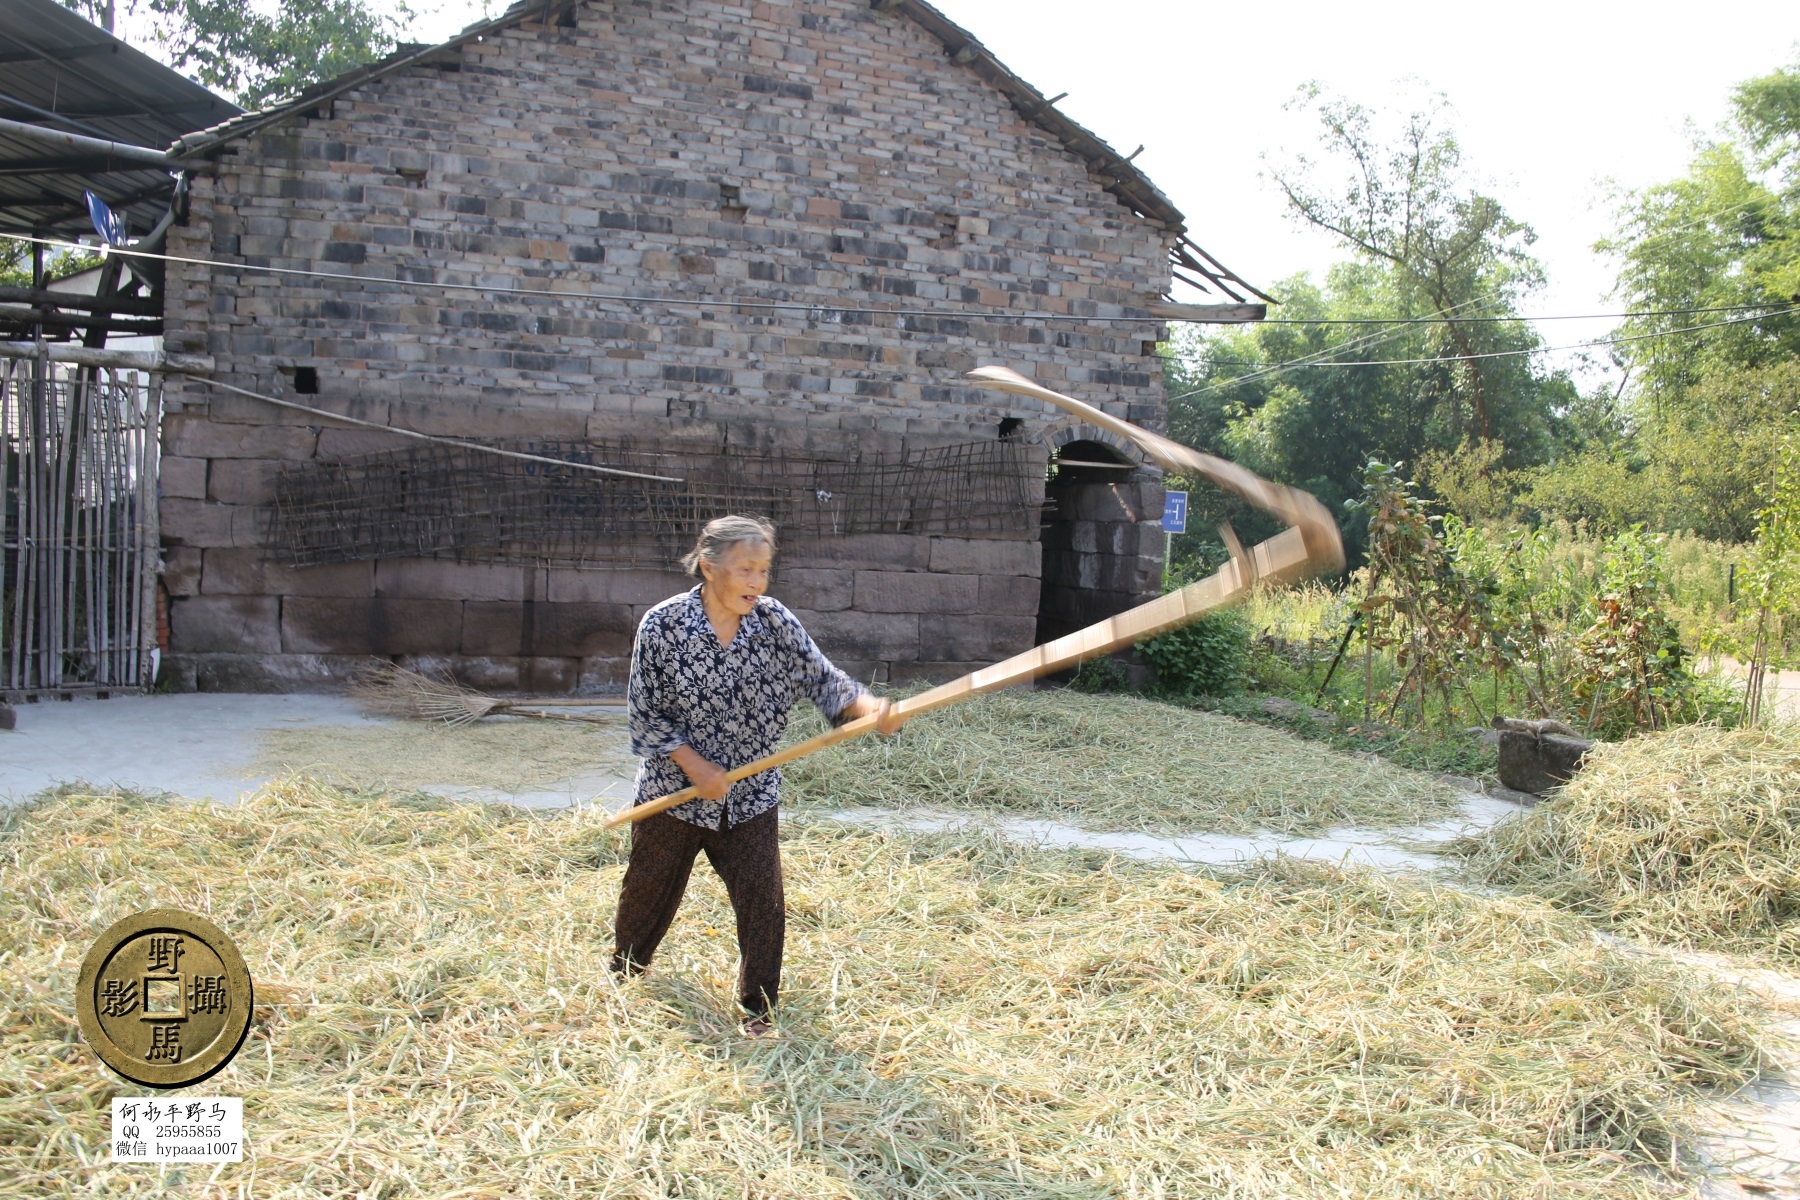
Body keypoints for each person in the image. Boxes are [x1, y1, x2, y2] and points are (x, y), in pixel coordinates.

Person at [611, 514, 901, 1036]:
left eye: (763, 571)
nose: (756, 582)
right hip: (672, 794)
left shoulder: (774, 623)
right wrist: (695, 766)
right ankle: (626, 970)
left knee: (763, 900)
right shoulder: (663, 625)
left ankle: (757, 1008)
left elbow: (823, 678)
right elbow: (646, 712)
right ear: (708, 566)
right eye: (745, 569)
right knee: (648, 890)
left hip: (749, 795)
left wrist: (868, 706)